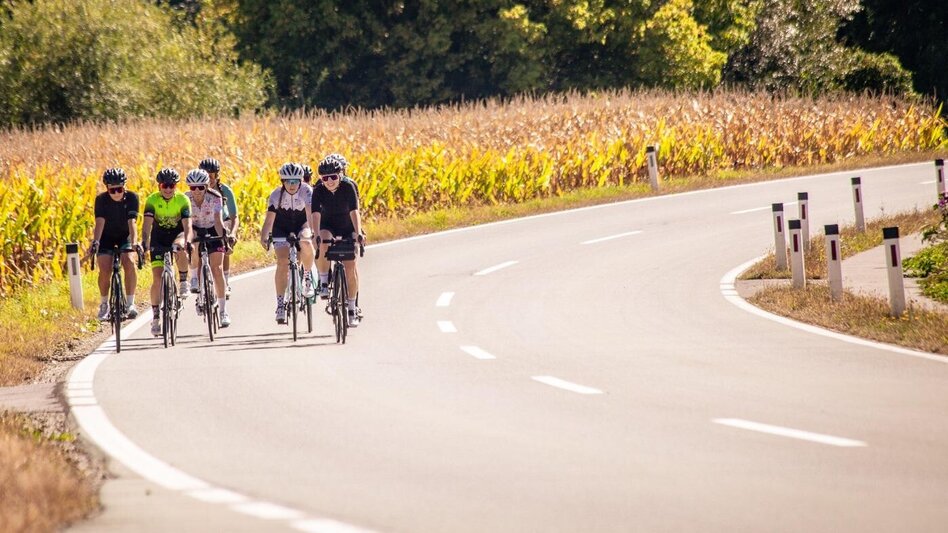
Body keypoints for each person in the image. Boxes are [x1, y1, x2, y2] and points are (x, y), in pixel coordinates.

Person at [259, 162, 316, 324]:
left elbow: (310, 214)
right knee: (283, 262)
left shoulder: (307, 191)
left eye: (295, 181)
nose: (292, 185)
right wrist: (264, 236)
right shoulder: (276, 195)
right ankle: (280, 305)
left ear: (301, 181)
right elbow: (269, 219)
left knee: (305, 242)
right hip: (281, 227)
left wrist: (313, 233)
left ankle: (306, 277)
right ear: (282, 181)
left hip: (301, 224)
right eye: (288, 181)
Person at [311, 156, 364, 327]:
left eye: (333, 177)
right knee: (323, 240)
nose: (329, 181)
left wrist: (358, 233)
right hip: (328, 224)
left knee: (350, 267)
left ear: (340, 175)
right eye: (325, 178)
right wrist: (316, 234)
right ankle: (324, 281)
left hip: (347, 224)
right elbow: (315, 215)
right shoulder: (318, 190)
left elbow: (354, 211)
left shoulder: (348, 187)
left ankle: (351, 308)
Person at [141, 168, 193, 336]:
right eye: (165, 185)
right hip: (159, 238)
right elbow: (147, 225)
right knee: (157, 277)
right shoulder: (152, 200)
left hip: (177, 234)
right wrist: (144, 242)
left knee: (180, 246)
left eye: (171, 185)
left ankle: (183, 280)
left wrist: (188, 241)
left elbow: (187, 226)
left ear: (176, 186)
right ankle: (156, 317)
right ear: (159, 186)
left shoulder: (183, 200)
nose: (168, 189)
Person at [89, 168, 142, 320]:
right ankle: (104, 304)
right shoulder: (101, 200)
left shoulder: (132, 197)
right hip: (106, 236)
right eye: (113, 190)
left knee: (130, 262)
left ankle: (130, 303)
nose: (117, 193)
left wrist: (134, 242)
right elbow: (100, 222)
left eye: (120, 189)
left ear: (125, 186)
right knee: (105, 269)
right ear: (107, 189)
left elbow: (132, 222)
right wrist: (96, 241)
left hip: (125, 236)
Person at [185, 168, 231, 328]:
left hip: (212, 228)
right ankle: (195, 278)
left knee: (217, 269)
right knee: (195, 243)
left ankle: (223, 310)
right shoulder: (185, 199)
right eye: (193, 187)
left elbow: (218, 220)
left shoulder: (215, 197)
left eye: (200, 187)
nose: (196, 191)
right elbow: (187, 224)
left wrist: (223, 239)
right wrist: (188, 241)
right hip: (195, 228)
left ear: (206, 186)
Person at [200, 157, 238, 298]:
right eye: (205, 176)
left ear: (217, 176)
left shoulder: (225, 191)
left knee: (223, 242)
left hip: (223, 221)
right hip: (204, 223)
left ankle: (225, 281)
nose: (208, 179)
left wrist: (232, 234)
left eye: (211, 176)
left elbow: (235, 217)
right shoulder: (196, 190)